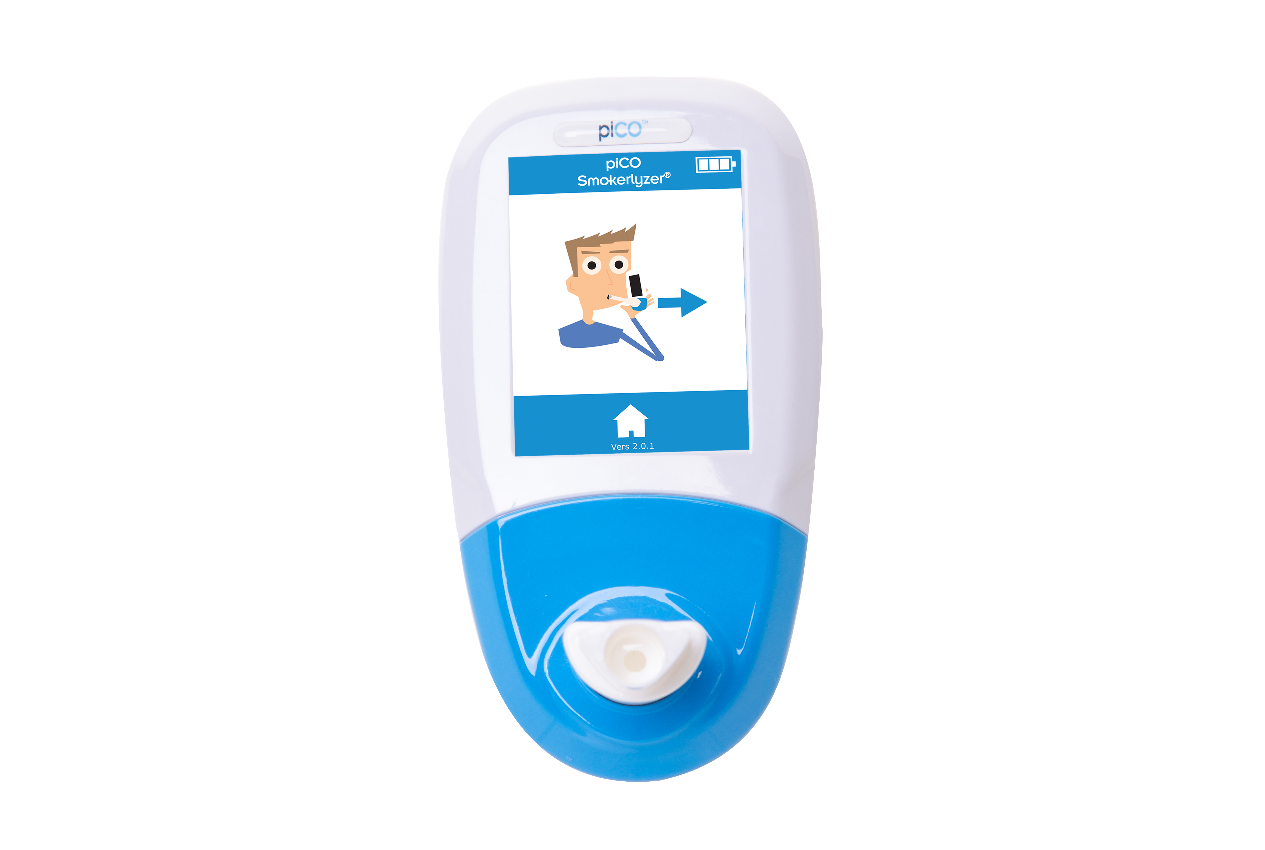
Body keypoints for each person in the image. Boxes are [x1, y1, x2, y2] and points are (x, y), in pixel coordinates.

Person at [557, 225, 663, 361]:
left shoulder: (617, 323)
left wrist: (632, 316)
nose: (608, 280)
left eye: (619, 264)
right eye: (591, 266)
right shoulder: (572, 337)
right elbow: (656, 355)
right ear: (572, 284)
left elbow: (657, 355)